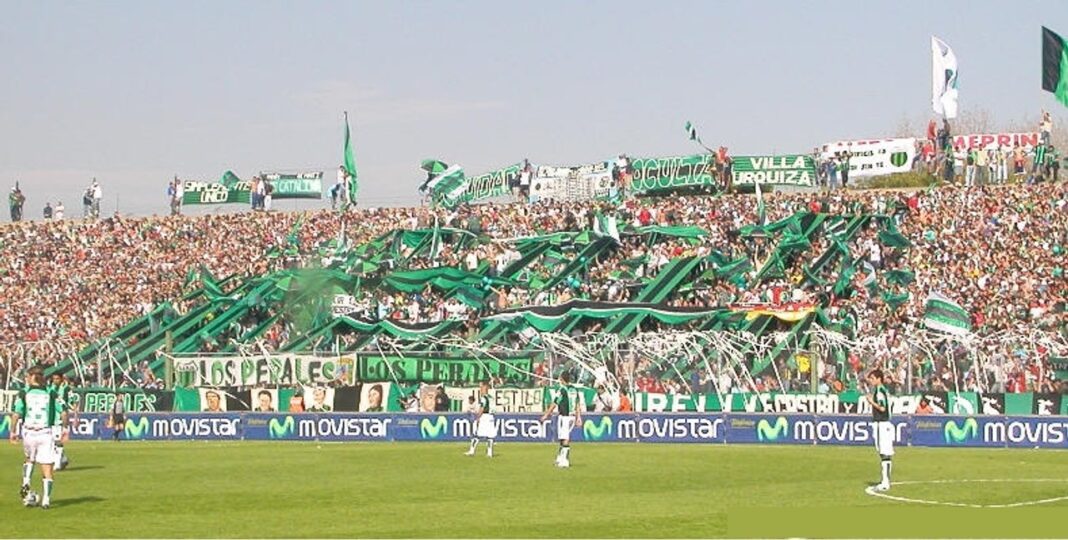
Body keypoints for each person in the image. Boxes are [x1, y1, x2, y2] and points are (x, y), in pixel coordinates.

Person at [11, 365, 61, 509]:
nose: (26, 379)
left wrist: (13, 431)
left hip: (29, 432)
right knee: (47, 467)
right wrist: (65, 427)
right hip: (45, 432)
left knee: (30, 460)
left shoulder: (24, 392)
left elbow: (16, 413)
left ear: (31, 377)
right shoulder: (50, 392)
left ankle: (26, 481)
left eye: (27, 376)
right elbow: (63, 411)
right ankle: (46, 499)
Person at [539, 372, 581, 468]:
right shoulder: (574, 389)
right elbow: (577, 404)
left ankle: (565, 460)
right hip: (572, 416)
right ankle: (560, 457)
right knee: (563, 437)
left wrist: (546, 415)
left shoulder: (562, 390)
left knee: (565, 438)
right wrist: (578, 417)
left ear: (562, 379)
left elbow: (554, 403)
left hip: (565, 416)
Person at [865, 369, 893, 491]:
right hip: (882, 424)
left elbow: (882, 408)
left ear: (878, 379)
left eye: (872, 378)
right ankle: (885, 480)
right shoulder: (880, 390)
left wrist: (871, 402)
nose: (870, 381)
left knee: (884, 453)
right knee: (883, 452)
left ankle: (885, 482)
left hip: (882, 424)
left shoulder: (880, 391)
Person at [465, 381, 497, 458]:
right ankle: (489, 453)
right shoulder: (491, 398)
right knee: (490, 436)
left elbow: (482, 408)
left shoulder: (483, 398)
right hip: (491, 417)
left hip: (485, 416)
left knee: (477, 434)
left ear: (485, 389)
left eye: (481, 388)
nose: (480, 390)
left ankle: (472, 451)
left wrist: (478, 417)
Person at [48, 373, 72, 471]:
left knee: (58, 442)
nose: (55, 381)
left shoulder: (66, 389)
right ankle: (64, 459)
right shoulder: (50, 389)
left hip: (60, 419)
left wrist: (74, 415)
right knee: (51, 442)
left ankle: (57, 464)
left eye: (57, 379)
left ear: (61, 379)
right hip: (50, 419)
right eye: (54, 379)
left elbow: (72, 402)